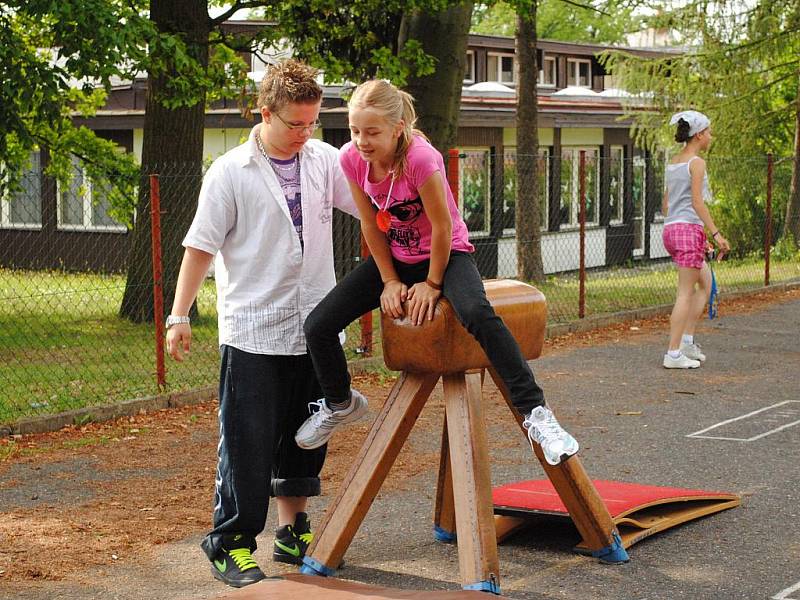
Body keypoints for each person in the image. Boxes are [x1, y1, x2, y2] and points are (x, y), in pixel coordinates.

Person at [296, 79, 578, 467]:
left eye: (372, 132)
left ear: (397, 128)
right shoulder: (350, 158)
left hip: (446, 255)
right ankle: (340, 402)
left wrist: (431, 284)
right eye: (355, 130)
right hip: (395, 257)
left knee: (477, 313)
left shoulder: (421, 158)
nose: (362, 140)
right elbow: (368, 224)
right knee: (318, 326)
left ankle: (536, 413)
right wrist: (391, 280)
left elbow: (443, 227)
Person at [165, 59, 359, 588]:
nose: (304, 134)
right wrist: (179, 315)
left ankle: (291, 529)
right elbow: (200, 246)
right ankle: (230, 541)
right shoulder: (231, 171)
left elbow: (370, 208)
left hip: (316, 324)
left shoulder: (323, 159)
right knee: (247, 440)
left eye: (312, 123)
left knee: (308, 433)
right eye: (294, 124)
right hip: (253, 329)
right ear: (264, 112)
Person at [661, 110, 730, 369]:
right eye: (709, 132)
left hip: (673, 230)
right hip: (687, 231)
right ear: (699, 134)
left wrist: (695, 234)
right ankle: (673, 353)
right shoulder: (696, 163)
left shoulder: (674, 162)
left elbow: (666, 205)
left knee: (707, 284)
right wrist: (715, 233)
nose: (711, 136)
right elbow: (698, 203)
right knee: (684, 294)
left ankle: (687, 342)